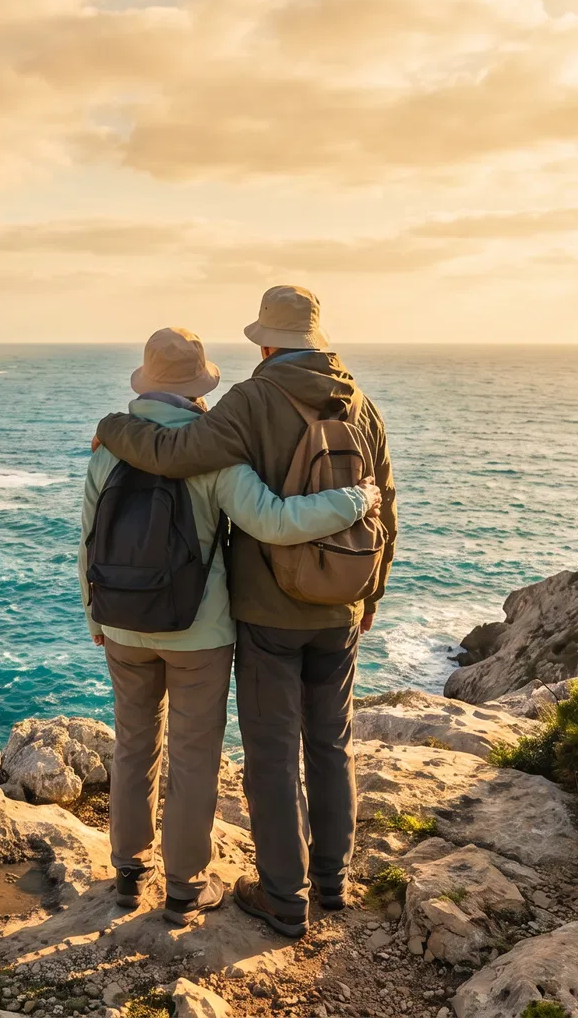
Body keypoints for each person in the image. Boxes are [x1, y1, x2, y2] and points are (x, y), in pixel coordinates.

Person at [93, 286, 397, 939]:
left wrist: (115, 427)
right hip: (342, 606)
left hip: (266, 610)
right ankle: (333, 882)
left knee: (271, 753)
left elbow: (173, 455)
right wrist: (368, 593)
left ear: (265, 343)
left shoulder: (252, 401)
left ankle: (283, 897)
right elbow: (386, 506)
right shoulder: (361, 404)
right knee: (332, 742)